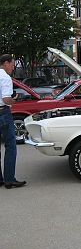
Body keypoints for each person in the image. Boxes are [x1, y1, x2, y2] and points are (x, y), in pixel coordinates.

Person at [0, 54, 26, 189]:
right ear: (5, 63)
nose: (13, 67)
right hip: (3, 112)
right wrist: (14, 99)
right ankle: (9, 179)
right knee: (11, 146)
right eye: (12, 64)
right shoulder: (5, 77)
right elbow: (5, 99)